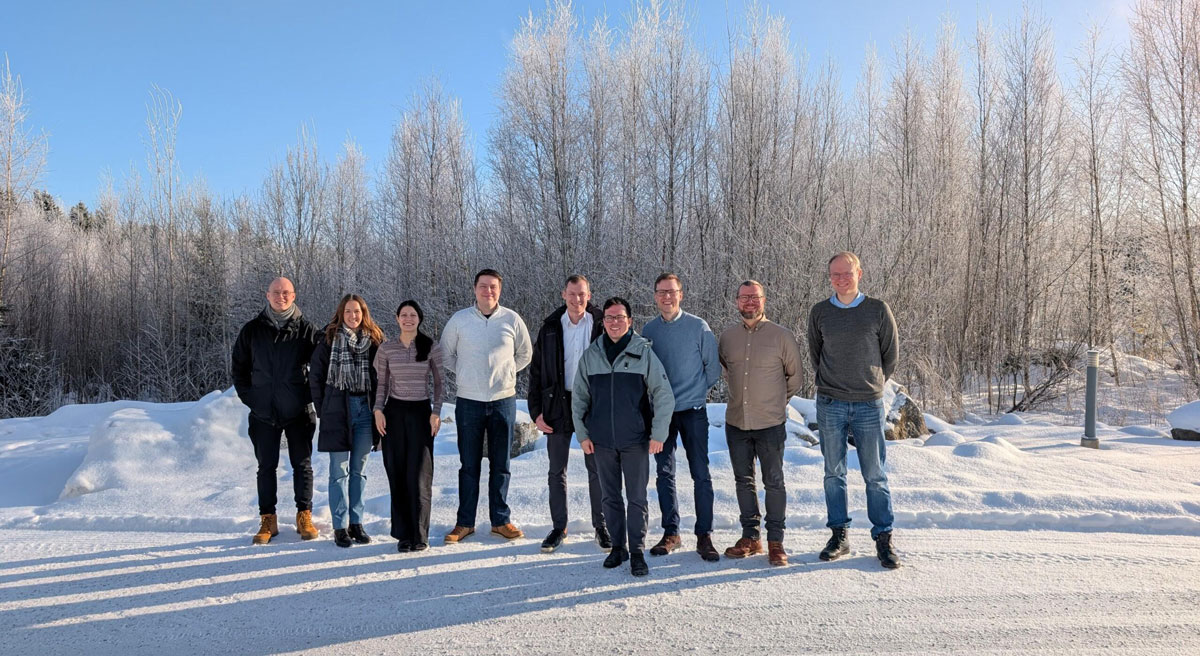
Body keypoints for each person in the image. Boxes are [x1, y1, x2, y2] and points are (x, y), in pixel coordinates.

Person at [807, 251, 901, 569]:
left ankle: (883, 538)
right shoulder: (820, 312)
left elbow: (890, 355)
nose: (841, 279)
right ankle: (839, 536)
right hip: (831, 403)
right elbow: (815, 354)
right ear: (829, 277)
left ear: (859, 273)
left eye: (847, 273)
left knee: (875, 475)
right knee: (834, 473)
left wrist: (870, 383)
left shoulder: (877, 310)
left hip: (868, 404)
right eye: (835, 274)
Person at [572, 297, 675, 577]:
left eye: (620, 317)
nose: (614, 322)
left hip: (635, 440)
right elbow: (579, 398)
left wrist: (658, 434)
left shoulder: (643, 353)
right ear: (602, 322)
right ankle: (618, 547)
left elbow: (664, 395)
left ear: (630, 321)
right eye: (609, 318)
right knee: (610, 497)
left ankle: (637, 551)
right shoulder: (591, 355)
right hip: (601, 440)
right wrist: (582, 434)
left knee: (637, 498)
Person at [441, 269, 533, 543]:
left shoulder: (512, 319)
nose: (488, 291)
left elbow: (525, 353)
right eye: (483, 286)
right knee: (468, 464)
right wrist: (469, 375)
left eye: (493, 287)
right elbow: (446, 355)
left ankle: (500, 521)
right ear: (475, 289)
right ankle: (465, 522)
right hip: (469, 401)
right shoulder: (460, 320)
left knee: (501, 464)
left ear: (499, 290)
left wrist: (505, 373)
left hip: (503, 400)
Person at [718, 280, 803, 566]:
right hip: (737, 422)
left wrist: (775, 403)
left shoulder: (782, 336)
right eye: (744, 298)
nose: (749, 303)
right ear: (736, 302)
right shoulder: (727, 337)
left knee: (774, 482)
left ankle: (775, 542)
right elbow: (726, 372)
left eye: (755, 298)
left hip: (770, 424)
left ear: (764, 301)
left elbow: (796, 378)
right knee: (744, 481)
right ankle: (750, 537)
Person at [231, 277, 322, 545]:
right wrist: (253, 399)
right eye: (276, 292)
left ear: (293, 296)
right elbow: (239, 369)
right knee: (266, 467)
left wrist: (306, 397)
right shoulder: (252, 330)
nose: (281, 297)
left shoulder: (306, 330)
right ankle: (267, 518)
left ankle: (304, 514)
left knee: (302, 465)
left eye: (286, 293)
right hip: (263, 412)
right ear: (267, 295)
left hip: (298, 411)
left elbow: (319, 368)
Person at [641, 273, 721, 561]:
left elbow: (712, 369)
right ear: (655, 296)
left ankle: (705, 535)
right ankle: (671, 532)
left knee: (701, 473)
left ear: (681, 294)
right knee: (664, 473)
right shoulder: (648, 330)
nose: (667, 297)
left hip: (694, 411)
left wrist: (696, 392)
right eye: (661, 292)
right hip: (662, 414)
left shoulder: (698, 327)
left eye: (672, 292)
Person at [528, 275, 609, 553]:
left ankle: (601, 526)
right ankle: (558, 527)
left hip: (592, 405)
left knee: (596, 468)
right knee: (556, 471)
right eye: (572, 294)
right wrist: (536, 411)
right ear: (563, 294)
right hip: (557, 405)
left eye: (582, 295)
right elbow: (536, 372)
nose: (577, 300)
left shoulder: (601, 323)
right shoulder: (550, 326)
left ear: (589, 294)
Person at [309, 294, 383, 548]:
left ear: (364, 313)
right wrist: (323, 409)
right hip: (337, 409)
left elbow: (381, 379)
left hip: (365, 408)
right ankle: (340, 526)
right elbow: (315, 377)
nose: (353, 316)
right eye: (348, 311)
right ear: (341, 313)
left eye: (357, 311)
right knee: (337, 472)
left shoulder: (374, 340)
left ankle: (357, 523)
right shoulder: (328, 339)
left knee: (358, 471)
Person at [374, 300, 444, 553]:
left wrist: (436, 412)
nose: (408, 319)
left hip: (421, 413)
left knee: (420, 475)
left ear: (419, 319)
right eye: (403, 315)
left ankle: (420, 534)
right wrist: (378, 410)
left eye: (413, 315)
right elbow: (381, 384)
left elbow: (439, 384)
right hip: (394, 412)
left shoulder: (430, 347)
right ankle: (403, 534)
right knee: (398, 473)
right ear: (397, 319)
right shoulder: (386, 349)